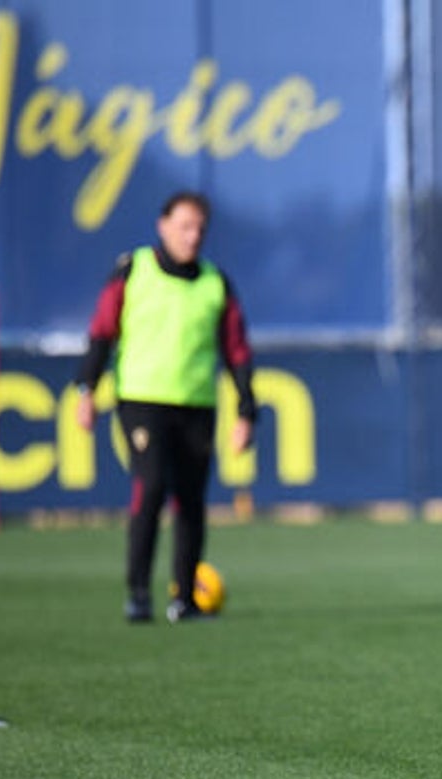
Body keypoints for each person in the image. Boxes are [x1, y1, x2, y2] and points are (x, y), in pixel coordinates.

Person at [74, 191, 257, 624]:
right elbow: (102, 330)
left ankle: (185, 599)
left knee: (192, 501)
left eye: (199, 229)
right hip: (142, 399)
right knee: (152, 486)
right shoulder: (133, 269)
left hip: (196, 402)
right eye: (184, 226)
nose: (192, 237)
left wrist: (247, 411)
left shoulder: (215, 283)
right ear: (163, 226)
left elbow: (237, 351)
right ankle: (138, 593)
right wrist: (87, 388)